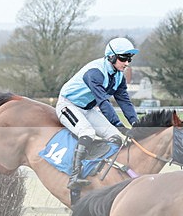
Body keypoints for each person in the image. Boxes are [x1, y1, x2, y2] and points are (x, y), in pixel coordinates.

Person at [56, 37, 140, 189]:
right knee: (87, 132)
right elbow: (103, 102)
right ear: (111, 56)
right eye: (123, 58)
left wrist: (136, 124)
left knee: (115, 138)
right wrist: (120, 125)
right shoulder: (95, 72)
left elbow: (124, 101)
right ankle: (74, 176)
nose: (127, 63)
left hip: (87, 109)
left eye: (129, 59)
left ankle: (94, 167)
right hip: (68, 105)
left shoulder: (119, 76)